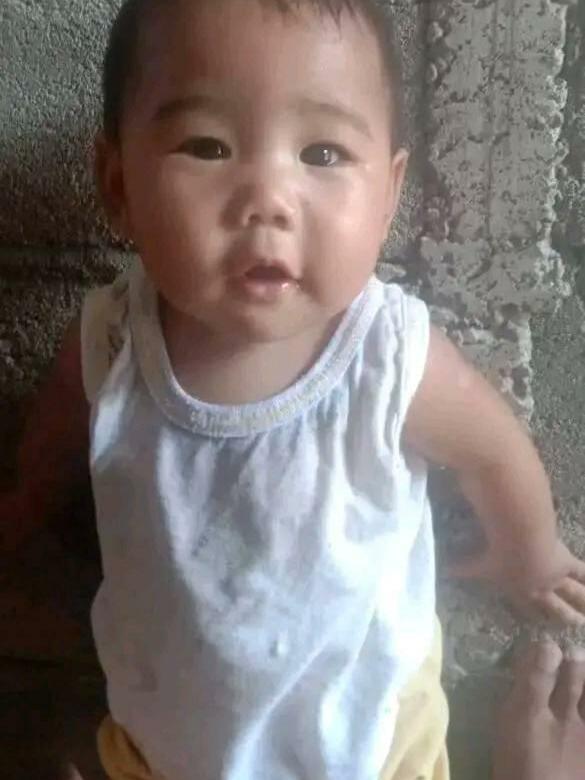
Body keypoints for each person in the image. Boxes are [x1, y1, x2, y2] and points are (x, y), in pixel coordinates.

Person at [2, 0, 585, 778]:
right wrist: (22, 519)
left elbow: (491, 452)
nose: (267, 200)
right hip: (164, 745)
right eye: (207, 146)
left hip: (372, 740)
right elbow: (50, 454)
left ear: (387, 194)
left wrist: (528, 552)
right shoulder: (111, 342)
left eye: (322, 153)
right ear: (118, 185)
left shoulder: (383, 353)